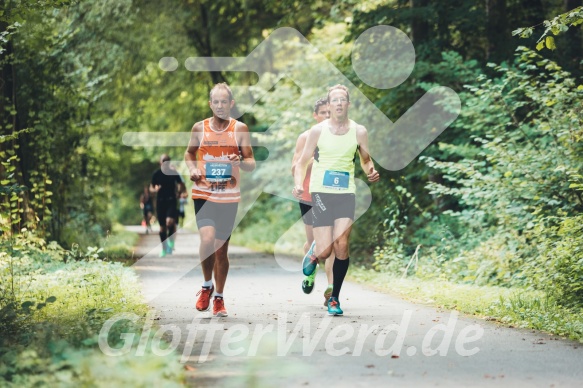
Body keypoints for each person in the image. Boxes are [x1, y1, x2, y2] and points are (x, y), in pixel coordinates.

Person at [293, 84, 380, 316]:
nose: (339, 103)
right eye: (335, 100)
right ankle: (314, 253)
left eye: (343, 99)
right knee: (325, 251)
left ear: (348, 104)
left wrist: (370, 169)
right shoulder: (317, 131)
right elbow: (301, 162)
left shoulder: (359, 131)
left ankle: (334, 298)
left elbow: (365, 159)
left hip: (345, 193)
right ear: (329, 105)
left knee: (342, 244)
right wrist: (299, 184)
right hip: (321, 193)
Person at [185, 82, 255, 317]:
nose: (220, 105)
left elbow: (251, 163)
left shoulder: (240, 129)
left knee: (221, 251)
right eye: (216, 102)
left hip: (229, 197)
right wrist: (192, 169)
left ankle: (219, 298)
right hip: (204, 193)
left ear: (231, 104)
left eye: (224, 101)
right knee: (207, 239)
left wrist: (240, 163)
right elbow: (189, 153)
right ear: (210, 104)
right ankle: (206, 286)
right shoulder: (199, 128)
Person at [291, 97, 335, 305]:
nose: (327, 116)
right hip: (309, 195)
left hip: (333, 194)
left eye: (330, 112)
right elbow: (296, 165)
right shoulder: (306, 137)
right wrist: (298, 183)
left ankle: (332, 291)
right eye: (323, 113)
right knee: (313, 243)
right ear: (315, 116)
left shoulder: (340, 136)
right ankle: (310, 271)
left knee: (333, 243)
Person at [151, 154, 185, 257]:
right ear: (160, 162)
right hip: (160, 202)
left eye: (167, 160)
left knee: (170, 222)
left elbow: (181, 184)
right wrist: (155, 189)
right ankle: (164, 248)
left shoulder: (173, 173)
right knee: (162, 228)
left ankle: (171, 242)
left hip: (171, 201)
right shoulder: (156, 174)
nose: (165, 162)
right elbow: (151, 188)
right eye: (163, 160)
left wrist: (179, 192)